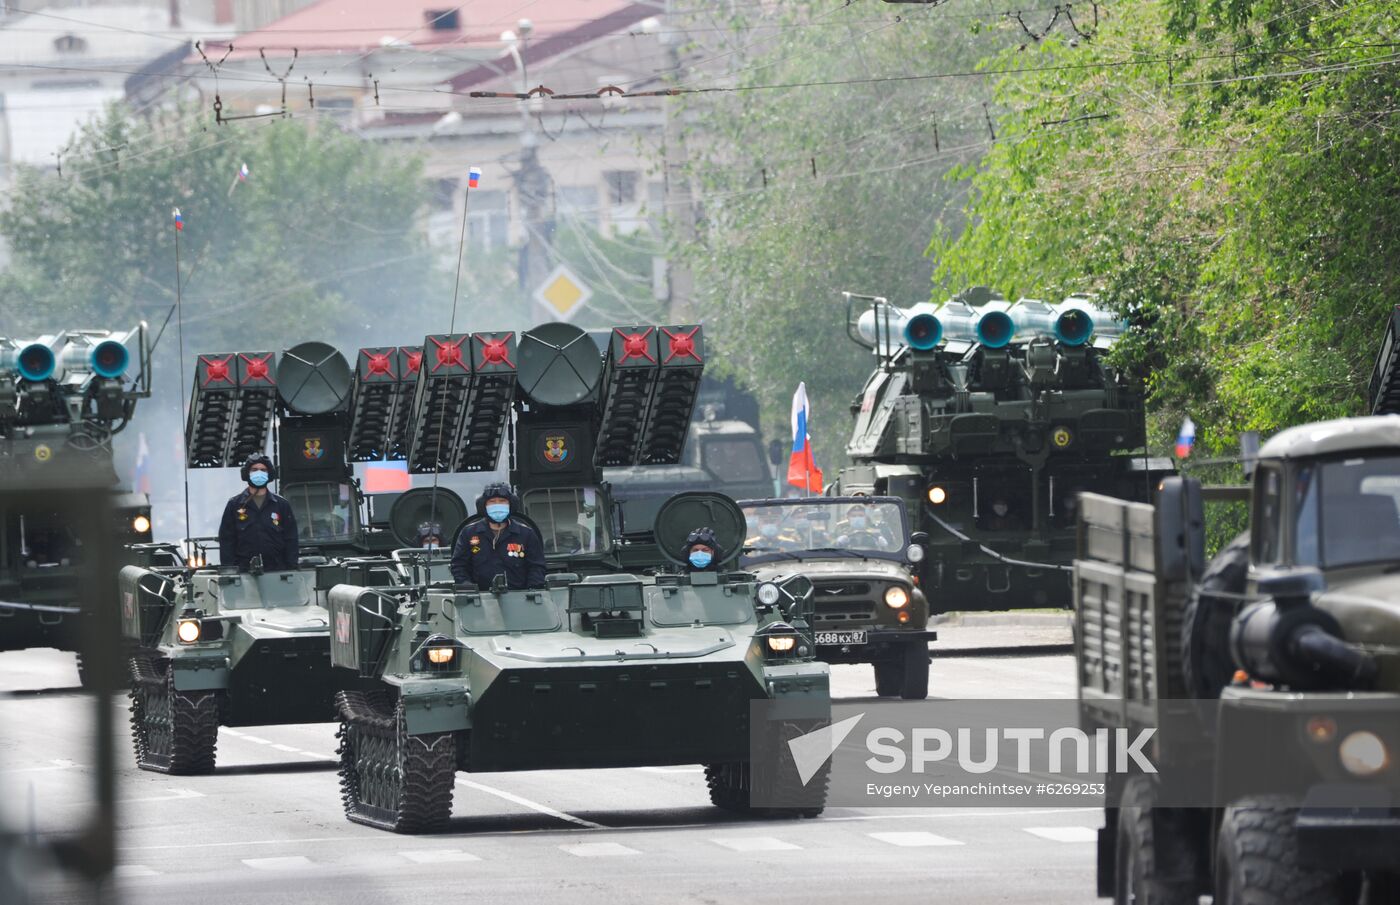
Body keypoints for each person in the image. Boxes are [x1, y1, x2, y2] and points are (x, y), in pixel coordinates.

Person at [450, 482, 546, 590]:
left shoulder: (526, 534)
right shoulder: (469, 533)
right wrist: (466, 586)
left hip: (519, 597)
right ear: (484, 506)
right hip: (480, 600)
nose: (497, 505)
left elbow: (537, 566)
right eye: (492, 502)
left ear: (510, 505)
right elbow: (458, 565)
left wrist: (532, 590)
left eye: (502, 501)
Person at [218, 453, 299, 571]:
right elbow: (226, 540)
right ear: (246, 473)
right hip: (244, 572)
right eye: (254, 470)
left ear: (269, 474)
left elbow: (291, 539)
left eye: (263, 470)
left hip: (277, 572)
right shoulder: (234, 505)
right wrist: (229, 571)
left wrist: (291, 568)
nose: (259, 473)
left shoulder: (281, 505)